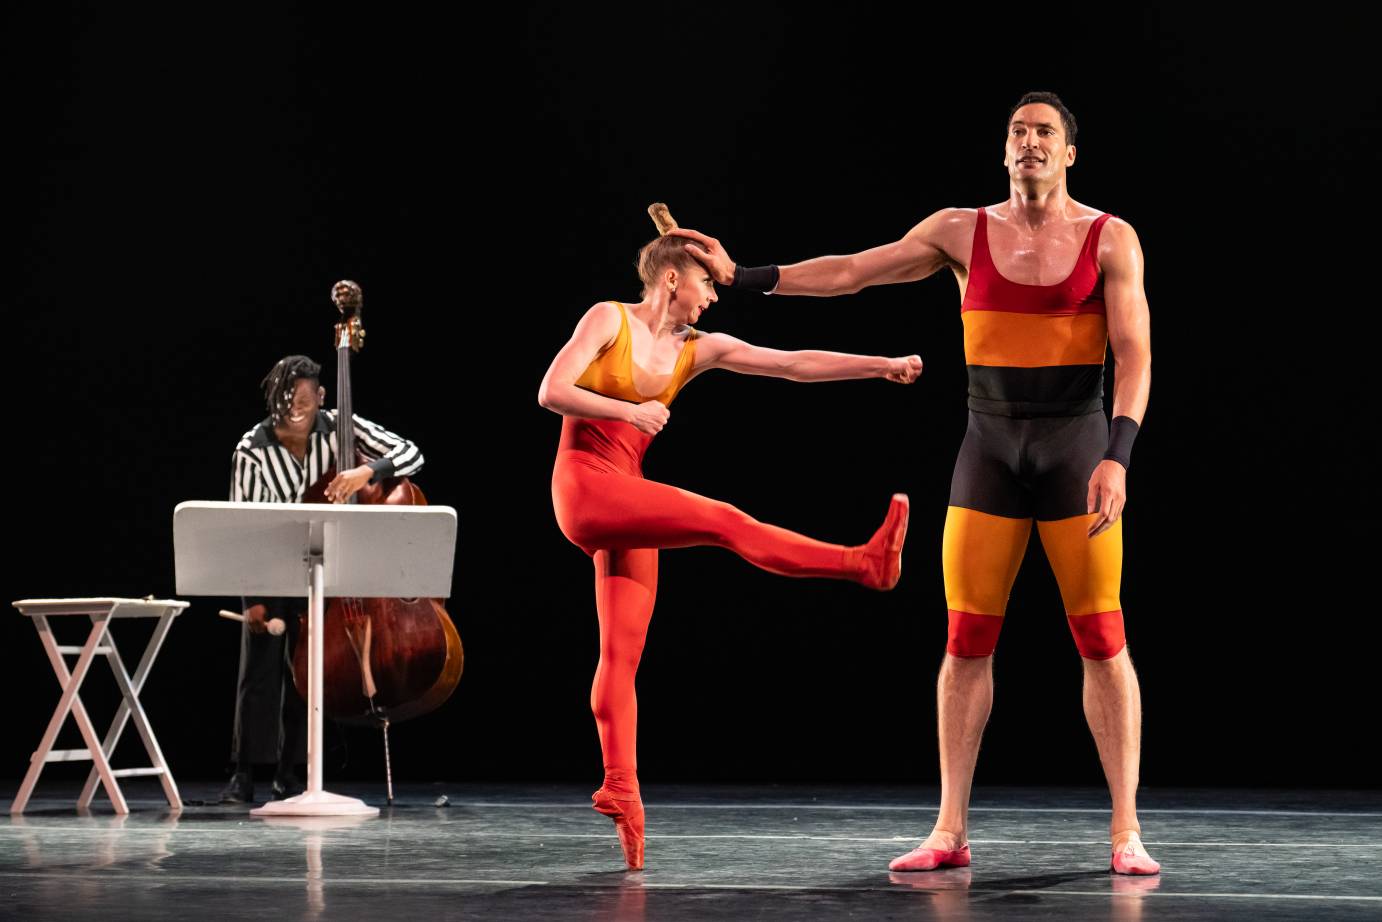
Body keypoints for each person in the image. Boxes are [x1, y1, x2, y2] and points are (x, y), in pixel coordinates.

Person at [670, 91, 1160, 875]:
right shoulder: (959, 231)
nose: (1029, 142)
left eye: (1045, 133)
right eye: (1017, 132)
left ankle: (1126, 831)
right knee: (966, 642)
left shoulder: (1111, 239)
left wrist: (1119, 455)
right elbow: (855, 273)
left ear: (1070, 153)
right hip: (989, 453)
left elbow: (1134, 356)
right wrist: (747, 274)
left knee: (1102, 639)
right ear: (1004, 151)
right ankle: (950, 830)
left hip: (1077, 450)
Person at [539, 227, 920, 869]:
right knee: (722, 520)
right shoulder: (610, 319)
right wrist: (631, 413)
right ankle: (862, 563)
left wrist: (877, 366)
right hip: (583, 489)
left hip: (627, 495)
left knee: (621, 654)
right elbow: (551, 391)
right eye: (706, 285)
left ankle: (622, 791)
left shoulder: (699, 349)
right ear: (670, 280)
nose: (713, 297)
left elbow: (791, 362)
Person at [219, 353, 424, 804]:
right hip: (271, 569)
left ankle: (291, 773)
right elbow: (242, 527)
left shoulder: (339, 426)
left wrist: (367, 470)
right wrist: (252, 597)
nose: (295, 409)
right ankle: (243, 772)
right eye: (286, 400)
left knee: (307, 673)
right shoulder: (251, 449)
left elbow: (412, 452)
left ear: (322, 398)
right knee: (258, 672)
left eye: (305, 401)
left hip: (325, 568)